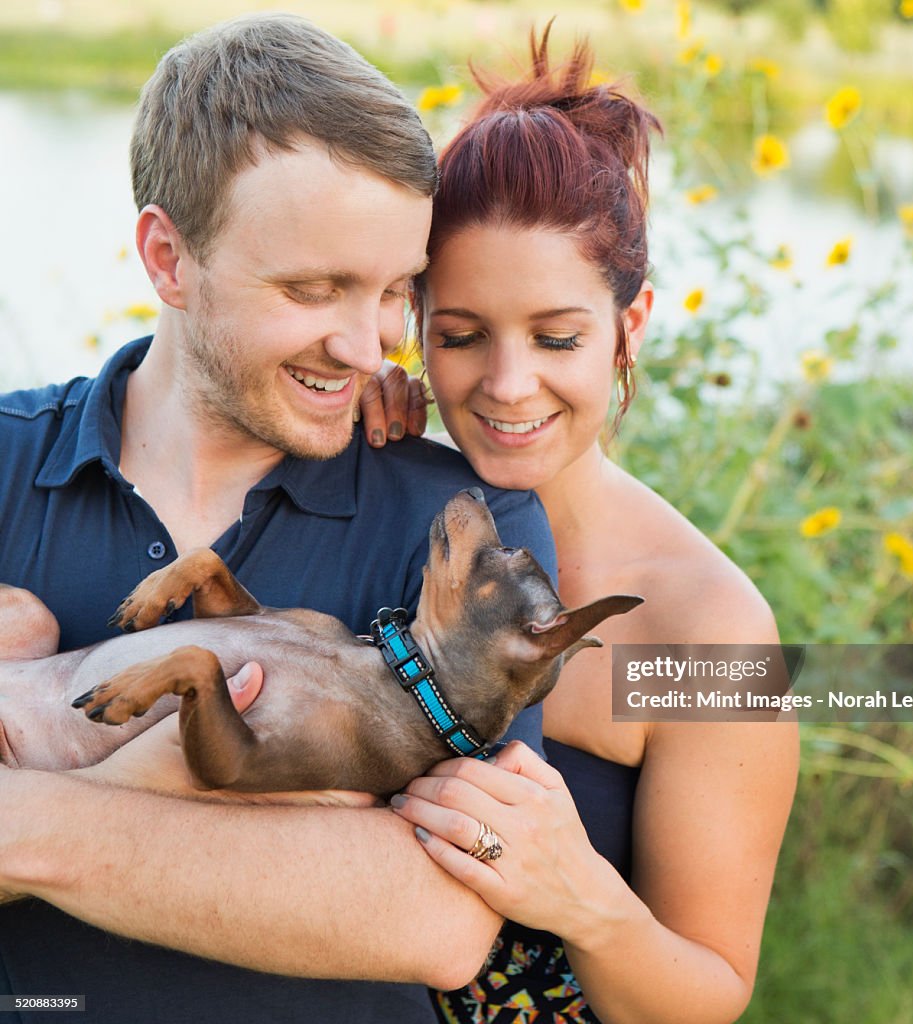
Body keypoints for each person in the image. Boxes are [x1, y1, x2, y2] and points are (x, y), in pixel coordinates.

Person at [0, 14, 557, 1024]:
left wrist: (26, 823)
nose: (366, 345)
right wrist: (295, 846)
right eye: (314, 288)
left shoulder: (456, 525)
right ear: (167, 258)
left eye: (396, 291)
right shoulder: (4, 458)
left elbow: (437, 917)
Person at [361, 30, 800, 1024]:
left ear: (628, 326)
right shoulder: (366, 483)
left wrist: (585, 901)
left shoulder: (705, 628)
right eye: (461, 336)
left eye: (557, 337)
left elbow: (708, 993)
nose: (508, 386)